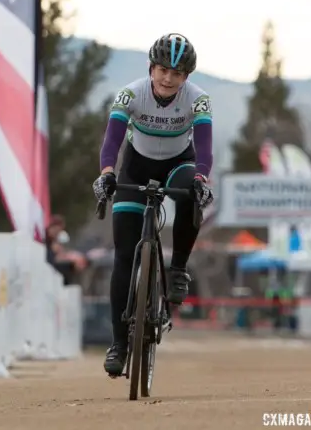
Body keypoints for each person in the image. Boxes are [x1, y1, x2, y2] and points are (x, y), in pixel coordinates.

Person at [92, 33, 215, 377]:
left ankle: (177, 269)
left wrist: (202, 180)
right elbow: (112, 141)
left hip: (179, 163)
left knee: (190, 192)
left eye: (176, 74)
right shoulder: (130, 94)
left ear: (186, 78)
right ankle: (118, 343)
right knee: (123, 256)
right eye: (162, 70)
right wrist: (106, 174)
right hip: (136, 165)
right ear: (151, 68)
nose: (167, 78)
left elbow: (205, 149)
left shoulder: (199, 100)